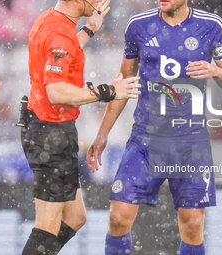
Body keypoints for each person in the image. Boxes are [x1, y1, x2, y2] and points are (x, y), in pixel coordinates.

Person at [87, 0, 222, 254]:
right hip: (146, 139)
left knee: (192, 224)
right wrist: (102, 133)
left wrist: (215, 71)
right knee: (118, 217)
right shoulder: (138, 26)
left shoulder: (211, 26)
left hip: (190, 142)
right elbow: (124, 82)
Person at [20, 0, 141, 254]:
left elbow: (62, 54)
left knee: (75, 218)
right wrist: (107, 91)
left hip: (47, 129)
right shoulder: (60, 33)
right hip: (49, 136)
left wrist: (88, 31)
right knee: (45, 229)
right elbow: (56, 91)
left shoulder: (51, 19)